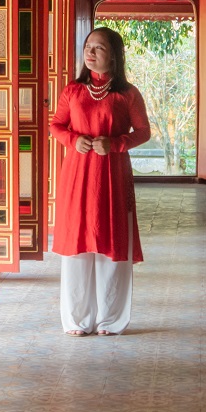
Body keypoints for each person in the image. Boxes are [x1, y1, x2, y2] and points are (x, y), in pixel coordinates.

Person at [49, 26, 152, 335]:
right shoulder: (73, 91)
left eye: (99, 48)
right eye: (88, 47)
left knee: (110, 245)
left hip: (112, 177)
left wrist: (116, 144)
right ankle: (77, 320)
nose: (90, 52)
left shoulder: (128, 94)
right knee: (78, 247)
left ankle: (110, 319)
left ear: (115, 56)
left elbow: (143, 132)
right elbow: (56, 125)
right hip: (78, 177)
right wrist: (71, 139)